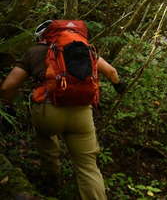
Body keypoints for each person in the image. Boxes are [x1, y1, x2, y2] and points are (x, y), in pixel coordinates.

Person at [0, 20, 125, 200]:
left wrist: (7, 105)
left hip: (48, 111)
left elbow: (7, 86)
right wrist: (119, 86)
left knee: (46, 138)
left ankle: (51, 181)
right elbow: (112, 72)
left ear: (42, 36)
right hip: (81, 113)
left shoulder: (33, 52)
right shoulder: (84, 48)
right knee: (88, 166)